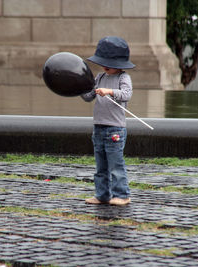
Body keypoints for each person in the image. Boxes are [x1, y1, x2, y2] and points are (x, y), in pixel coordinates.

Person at [81, 36, 135, 206]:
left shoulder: (123, 78)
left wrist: (110, 92)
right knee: (101, 165)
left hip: (115, 130)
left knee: (115, 165)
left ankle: (122, 195)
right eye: (103, 62)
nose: (105, 66)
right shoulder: (100, 77)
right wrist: (80, 86)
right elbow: (88, 96)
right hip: (99, 128)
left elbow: (126, 95)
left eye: (110, 63)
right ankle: (102, 195)